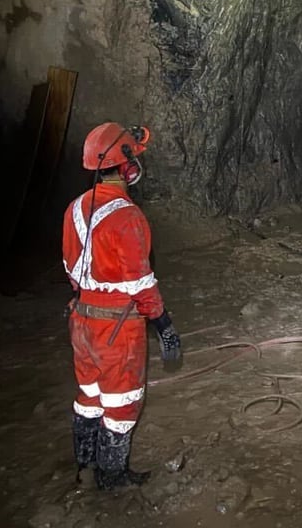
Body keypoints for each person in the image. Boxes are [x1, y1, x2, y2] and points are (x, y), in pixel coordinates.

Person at [62, 121, 183, 490]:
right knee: (122, 402)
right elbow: (140, 283)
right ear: (127, 166)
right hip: (116, 328)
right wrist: (163, 325)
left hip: (82, 319)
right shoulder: (128, 216)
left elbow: (70, 267)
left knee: (89, 397)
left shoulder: (74, 208)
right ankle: (112, 479)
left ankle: (85, 466)